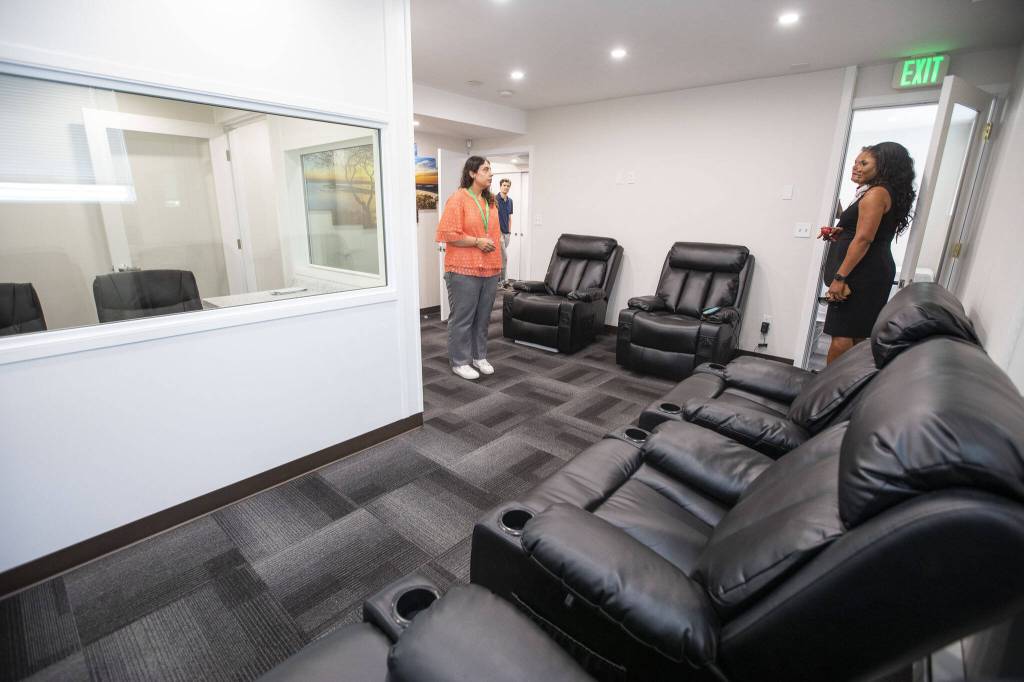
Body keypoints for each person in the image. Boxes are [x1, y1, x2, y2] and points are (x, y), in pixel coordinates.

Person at [821, 141, 916, 364]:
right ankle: (845, 391)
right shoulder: (885, 192)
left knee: (842, 335)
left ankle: (826, 392)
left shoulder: (875, 194)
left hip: (861, 272)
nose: (856, 167)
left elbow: (864, 239)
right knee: (855, 335)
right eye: (855, 162)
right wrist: (842, 233)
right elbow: (869, 231)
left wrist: (839, 278)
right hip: (873, 269)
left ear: (883, 167)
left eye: (864, 163)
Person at [436, 156, 502, 380]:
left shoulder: (490, 201)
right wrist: (477, 241)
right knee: (463, 317)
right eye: (485, 169)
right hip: (462, 269)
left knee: (483, 317)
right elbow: (448, 235)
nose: (490, 174)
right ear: (472, 173)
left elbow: (494, 233)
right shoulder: (458, 199)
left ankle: (478, 356)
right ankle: (460, 361)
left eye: (491, 170)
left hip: (489, 268)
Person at [496, 178, 514, 285]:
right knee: (504, 258)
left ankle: (498, 280)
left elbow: (509, 217)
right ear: (500, 186)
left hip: (507, 233)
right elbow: (493, 218)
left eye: (508, 186)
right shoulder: (495, 199)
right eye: (504, 185)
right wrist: (498, 233)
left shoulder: (510, 201)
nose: (506, 187)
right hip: (498, 233)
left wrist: (509, 232)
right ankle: (503, 281)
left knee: (500, 257)